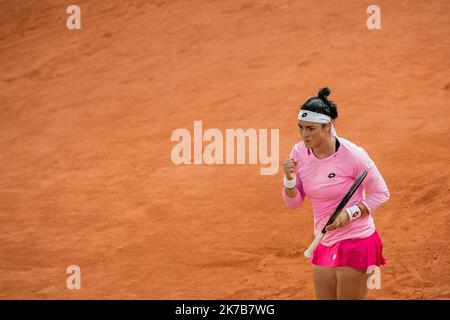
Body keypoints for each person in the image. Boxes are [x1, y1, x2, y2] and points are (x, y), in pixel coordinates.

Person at [282, 87, 390, 300]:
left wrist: (348, 215)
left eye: (311, 129)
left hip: (356, 240)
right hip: (324, 240)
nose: (305, 135)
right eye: (301, 128)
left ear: (327, 126)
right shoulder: (299, 152)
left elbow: (381, 192)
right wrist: (289, 179)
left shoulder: (353, 155)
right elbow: (293, 203)